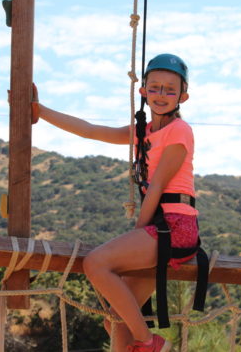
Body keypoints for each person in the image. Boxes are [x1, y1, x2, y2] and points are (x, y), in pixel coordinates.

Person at [32, 54, 201, 352]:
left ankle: (149, 343)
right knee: (118, 317)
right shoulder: (143, 132)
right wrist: (39, 110)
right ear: (143, 91)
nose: (161, 95)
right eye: (155, 87)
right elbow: (89, 130)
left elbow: (158, 185)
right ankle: (141, 341)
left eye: (170, 89)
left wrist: (136, 232)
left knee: (96, 263)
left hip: (176, 227)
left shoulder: (179, 131)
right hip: (161, 228)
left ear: (182, 96)